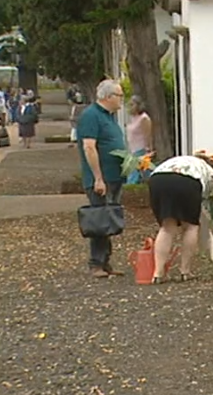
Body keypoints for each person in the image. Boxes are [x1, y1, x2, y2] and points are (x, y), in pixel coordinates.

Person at [148, 154, 213, 284]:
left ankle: (158, 273)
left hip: (158, 179)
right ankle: (185, 271)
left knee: (167, 227)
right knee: (191, 226)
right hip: (188, 182)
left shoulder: (181, 159)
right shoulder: (209, 171)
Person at [77, 79, 126, 278]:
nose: (122, 99)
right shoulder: (91, 116)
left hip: (114, 176)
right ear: (108, 97)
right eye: (119, 95)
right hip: (101, 178)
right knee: (99, 219)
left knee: (108, 219)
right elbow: (89, 147)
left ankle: (105, 261)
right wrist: (98, 177)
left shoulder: (110, 117)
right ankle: (95, 263)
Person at [125, 95, 153, 184]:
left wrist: (148, 150)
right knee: (145, 173)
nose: (130, 107)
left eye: (132, 104)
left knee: (133, 174)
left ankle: (130, 190)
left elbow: (148, 135)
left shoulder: (144, 118)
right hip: (133, 150)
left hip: (141, 149)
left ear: (138, 105)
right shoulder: (132, 119)